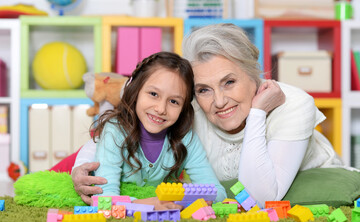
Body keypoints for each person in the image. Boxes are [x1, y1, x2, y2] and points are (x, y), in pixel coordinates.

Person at [69, 23, 344, 207]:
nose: (219, 101)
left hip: (325, 186)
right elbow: (121, 128)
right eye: (203, 89)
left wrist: (258, 114)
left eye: (229, 82)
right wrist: (80, 168)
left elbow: (259, 197)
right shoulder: (186, 109)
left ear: (254, 74)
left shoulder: (292, 103)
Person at [75, 51, 226, 209]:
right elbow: (105, 197)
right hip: (77, 166)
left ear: (183, 108)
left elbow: (217, 192)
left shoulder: (186, 139)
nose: (161, 109)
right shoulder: (115, 130)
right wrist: (146, 204)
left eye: (174, 101)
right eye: (153, 94)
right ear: (136, 90)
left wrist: (184, 200)